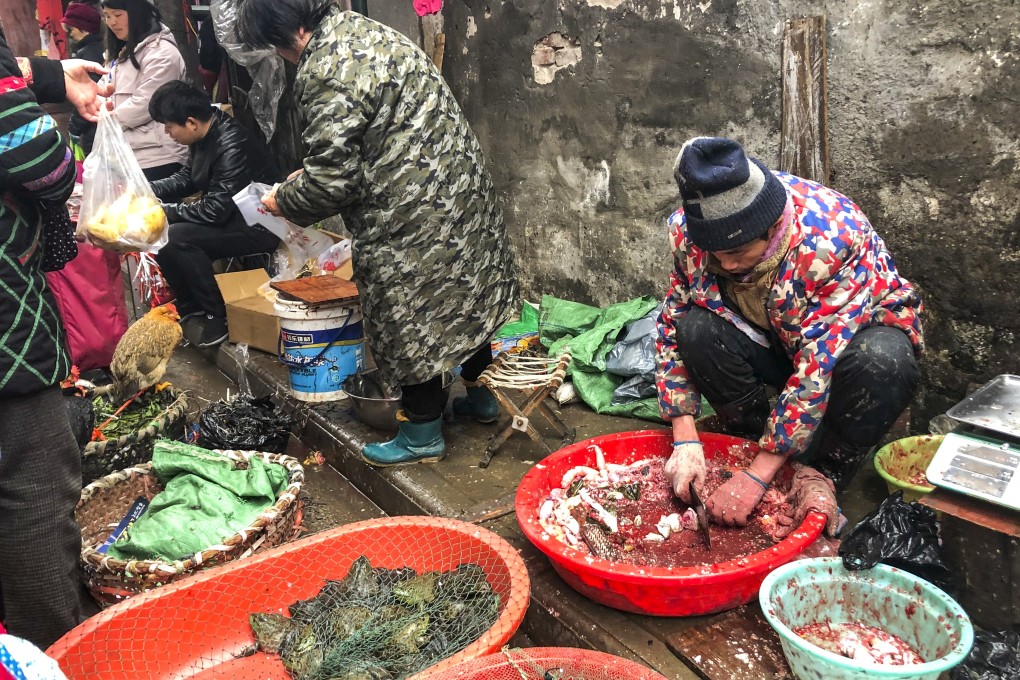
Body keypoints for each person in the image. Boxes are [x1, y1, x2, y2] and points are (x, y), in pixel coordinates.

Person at [238, 0, 518, 466]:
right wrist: (309, 175)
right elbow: (360, 140)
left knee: (412, 315)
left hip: (409, 212)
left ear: (284, 33)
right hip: (457, 190)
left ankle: (423, 434)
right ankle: (482, 399)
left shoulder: (324, 67)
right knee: (465, 296)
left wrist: (281, 201)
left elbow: (332, 182)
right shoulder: (362, 31)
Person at [656, 137, 923, 527]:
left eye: (738, 253)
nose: (725, 265)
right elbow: (671, 320)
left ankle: (823, 472)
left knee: (884, 361)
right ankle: (753, 442)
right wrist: (684, 437)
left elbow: (818, 364)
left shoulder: (832, 238)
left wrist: (755, 479)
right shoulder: (689, 235)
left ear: (773, 226)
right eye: (715, 254)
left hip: (849, 345)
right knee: (694, 329)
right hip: (773, 336)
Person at [0, 28, 106, 648]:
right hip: (7, 338)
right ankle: (54, 651)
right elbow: (39, 159)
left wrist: (46, 75)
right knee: (35, 498)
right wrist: (68, 143)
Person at [147, 80, 282, 347]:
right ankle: (190, 306)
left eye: (169, 126)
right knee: (162, 233)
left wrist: (165, 210)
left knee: (176, 236)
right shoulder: (204, 135)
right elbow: (189, 177)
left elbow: (214, 212)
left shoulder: (231, 145)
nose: (167, 132)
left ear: (191, 122)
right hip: (229, 216)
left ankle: (216, 315)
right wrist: (146, 190)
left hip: (258, 225)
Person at [99, 0, 187, 181]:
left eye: (117, 15)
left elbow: (146, 103)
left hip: (158, 156)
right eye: (107, 16)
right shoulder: (120, 54)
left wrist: (105, 119)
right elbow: (101, 90)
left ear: (137, 13)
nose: (112, 22)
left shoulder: (161, 53)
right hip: (127, 154)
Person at [62, 1, 105, 155]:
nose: (70, 33)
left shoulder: (87, 55)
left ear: (84, 28)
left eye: (71, 28)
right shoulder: (99, 49)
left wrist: (74, 127)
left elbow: (86, 95)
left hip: (92, 125)